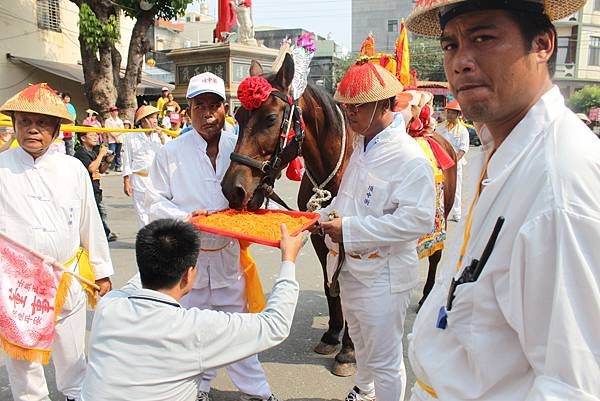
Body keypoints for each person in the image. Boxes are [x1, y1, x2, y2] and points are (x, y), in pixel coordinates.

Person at [405, 1, 600, 400]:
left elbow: (573, 386)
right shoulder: (495, 151)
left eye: (483, 38)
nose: (461, 62)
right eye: (450, 45)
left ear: (543, 44)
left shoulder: (558, 184)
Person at [145, 72, 282, 401]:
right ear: (188, 109)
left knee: (237, 332)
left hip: (227, 257)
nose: (208, 113)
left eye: (215, 105)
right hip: (187, 261)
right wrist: (185, 219)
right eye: (199, 105)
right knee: (190, 334)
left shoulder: (241, 145)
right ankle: (197, 389)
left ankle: (257, 393)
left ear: (226, 109)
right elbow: (151, 202)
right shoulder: (171, 153)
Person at [80, 219, 304, 401]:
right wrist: (288, 260)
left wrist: (185, 225)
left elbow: (141, 276)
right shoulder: (195, 328)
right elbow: (275, 325)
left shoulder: (109, 305)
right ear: (189, 276)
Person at [319, 59, 436, 401]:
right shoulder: (361, 146)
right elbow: (348, 200)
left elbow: (418, 220)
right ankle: (364, 388)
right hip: (352, 267)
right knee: (359, 335)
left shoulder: (409, 158)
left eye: (358, 106)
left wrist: (350, 230)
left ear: (385, 105)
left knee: (385, 357)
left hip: (383, 275)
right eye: (346, 106)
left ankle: (378, 390)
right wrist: (321, 216)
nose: (350, 114)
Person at [0, 83, 114, 401]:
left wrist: (102, 270)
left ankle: (76, 394)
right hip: (16, 286)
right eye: (24, 121)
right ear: (15, 124)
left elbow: (89, 220)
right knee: (24, 360)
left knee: (72, 352)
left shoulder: (73, 169)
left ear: (56, 128)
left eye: (41, 123)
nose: (32, 130)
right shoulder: (2, 169)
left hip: (67, 276)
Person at [122, 105, 165, 227]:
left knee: (157, 211)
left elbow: (169, 152)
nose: (155, 120)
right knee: (142, 212)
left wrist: (162, 137)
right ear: (143, 120)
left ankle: (156, 238)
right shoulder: (131, 136)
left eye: (156, 117)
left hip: (156, 180)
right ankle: (147, 240)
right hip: (139, 179)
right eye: (151, 118)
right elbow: (127, 160)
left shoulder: (159, 135)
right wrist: (126, 181)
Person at [73, 131, 118, 242]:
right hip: (86, 190)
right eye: (92, 135)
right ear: (83, 138)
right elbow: (92, 168)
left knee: (100, 212)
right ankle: (103, 234)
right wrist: (101, 154)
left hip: (96, 188)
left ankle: (102, 234)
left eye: (96, 135)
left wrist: (107, 161)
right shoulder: (81, 153)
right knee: (96, 213)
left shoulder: (93, 152)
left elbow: (100, 170)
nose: (95, 137)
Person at [434, 100, 469, 221]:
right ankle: (441, 212)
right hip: (440, 163)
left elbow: (463, 149)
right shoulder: (440, 128)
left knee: (456, 188)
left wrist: (453, 163)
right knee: (441, 188)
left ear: (458, 114)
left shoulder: (463, 131)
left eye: (452, 113)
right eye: (448, 112)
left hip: (455, 165)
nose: (449, 115)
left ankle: (456, 213)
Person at [104, 105, 124, 172]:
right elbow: (108, 130)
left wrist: (117, 136)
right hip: (112, 139)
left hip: (119, 139)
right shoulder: (108, 121)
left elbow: (122, 130)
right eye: (113, 111)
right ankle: (108, 166)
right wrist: (115, 137)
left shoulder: (120, 121)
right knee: (111, 153)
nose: (115, 112)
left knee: (118, 153)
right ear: (111, 112)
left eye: (116, 110)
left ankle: (118, 166)